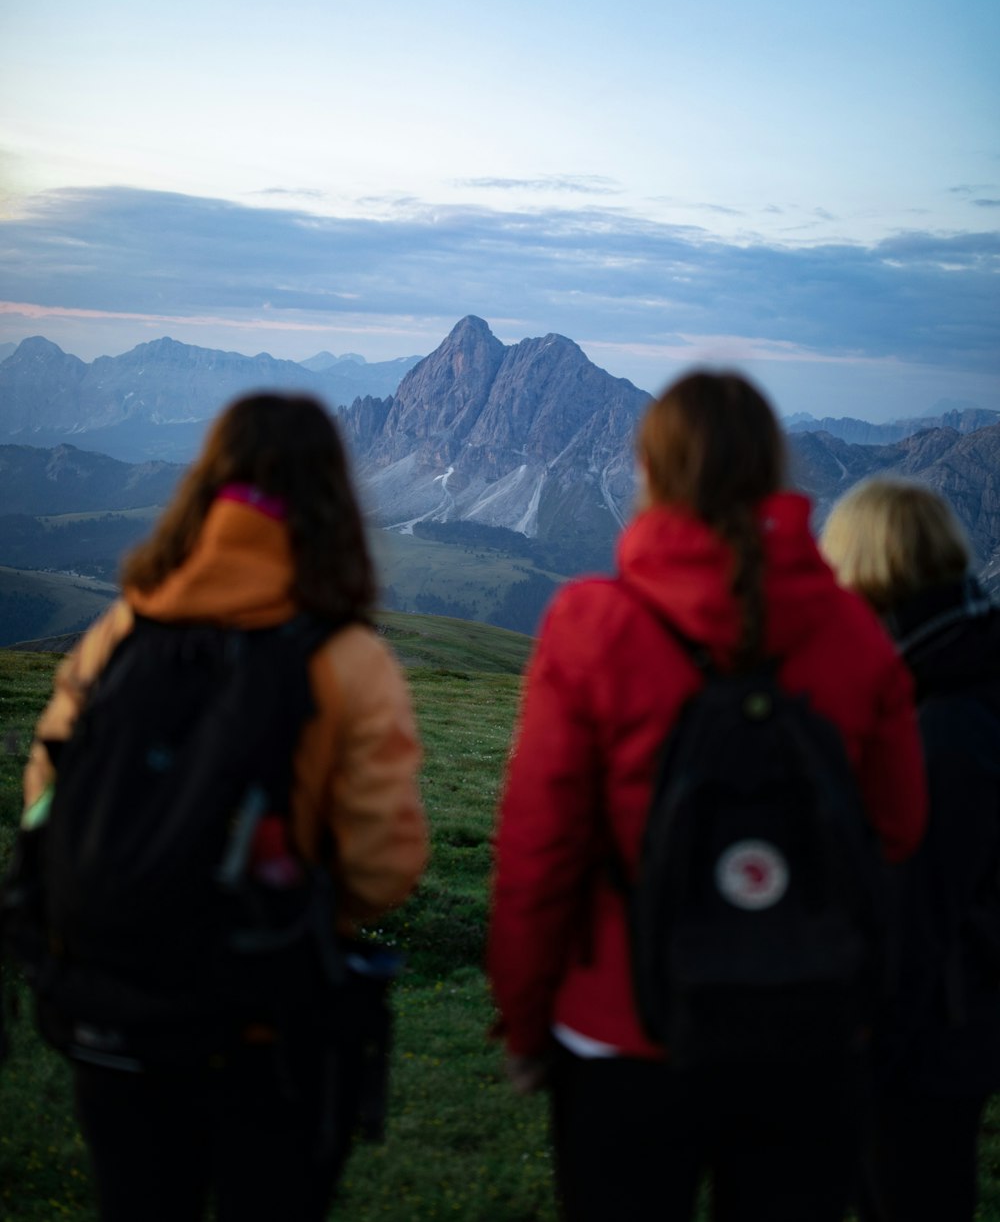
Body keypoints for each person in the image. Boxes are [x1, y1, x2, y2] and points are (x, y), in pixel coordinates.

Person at [489, 371, 926, 1222]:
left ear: (649, 469)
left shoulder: (591, 624)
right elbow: (899, 829)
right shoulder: (855, 631)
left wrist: (525, 1017)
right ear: (775, 469)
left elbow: (540, 851)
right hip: (811, 1026)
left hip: (621, 1029)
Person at [20, 392, 428, 1222]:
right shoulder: (347, 655)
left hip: (114, 1020)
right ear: (332, 499)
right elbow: (385, 865)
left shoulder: (125, 628)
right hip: (268, 1026)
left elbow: (46, 793)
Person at [821, 477, 1000, 1222]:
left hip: (933, 1032)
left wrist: (863, 1054)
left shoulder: (943, 721)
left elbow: (916, 915)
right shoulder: (966, 660)